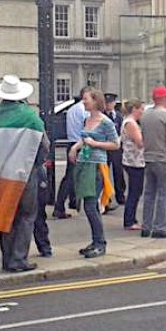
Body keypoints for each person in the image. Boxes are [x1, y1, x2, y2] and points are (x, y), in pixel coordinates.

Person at [0, 75, 47, 273]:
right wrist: (36, 165)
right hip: (24, 173)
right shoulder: (31, 117)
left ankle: (7, 259)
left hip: (0, 175)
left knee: (6, 214)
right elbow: (43, 145)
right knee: (26, 216)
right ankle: (19, 259)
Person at [68, 88, 120, 258]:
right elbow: (84, 139)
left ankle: (100, 243)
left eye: (86, 99)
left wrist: (95, 144)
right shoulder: (87, 119)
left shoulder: (106, 122)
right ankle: (96, 240)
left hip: (96, 166)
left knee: (91, 205)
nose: (83, 102)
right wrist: (75, 147)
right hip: (84, 163)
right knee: (88, 205)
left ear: (95, 101)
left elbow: (115, 144)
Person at [139, 86, 166, 239]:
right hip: (163, 158)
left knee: (149, 193)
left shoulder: (145, 115)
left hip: (149, 157)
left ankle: (146, 226)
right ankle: (160, 227)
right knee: (164, 193)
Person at [56, 87, 92, 218]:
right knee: (74, 177)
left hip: (71, 143)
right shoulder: (84, 111)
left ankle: (69, 203)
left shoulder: (72, 109)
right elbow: (87, 129)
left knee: (70, 176)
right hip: (79, 144)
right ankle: (63, 205)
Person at [120, 100, 146, 230]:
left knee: (135, 190)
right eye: (141, 109)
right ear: (135, 109)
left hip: (133, 160)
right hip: (134, 161)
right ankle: (129, 220)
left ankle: (131, 218)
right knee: (134, 191)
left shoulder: (129, 122)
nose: (143, 111)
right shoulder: (131, 123)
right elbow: (140, 142)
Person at [105, 93, 126, 207]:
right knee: (105, 173)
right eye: (107, 103)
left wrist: (119, 139)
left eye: (111, 102)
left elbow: (122, 130)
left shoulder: (118, 116)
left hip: (117, 147)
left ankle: (120, 195)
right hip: (106, 146)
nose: (109, 105)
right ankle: (106, 197)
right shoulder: (103, 116)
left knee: (118, 172)